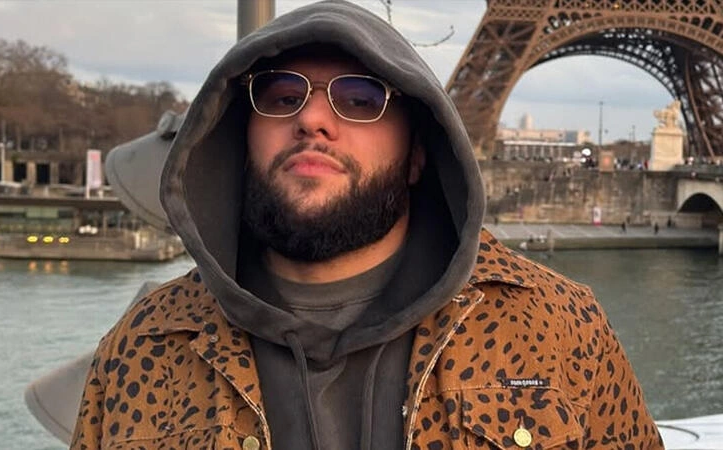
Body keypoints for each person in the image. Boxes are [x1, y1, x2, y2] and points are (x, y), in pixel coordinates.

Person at [70, 1, 664, 449]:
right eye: (280, 94)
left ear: (418, 152)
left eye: (360, 98)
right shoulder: (140, 346)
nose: (312, 118)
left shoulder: (561, 327)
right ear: (237, 134)